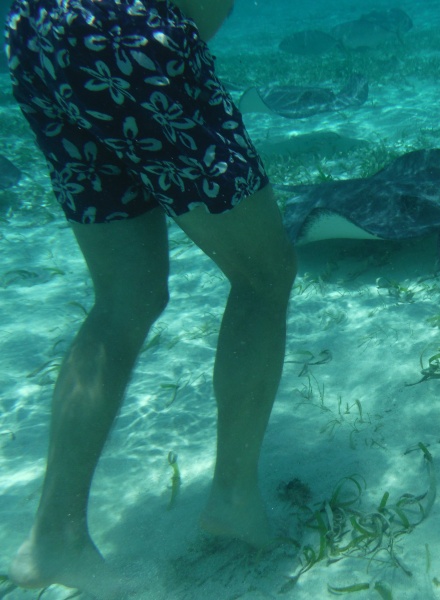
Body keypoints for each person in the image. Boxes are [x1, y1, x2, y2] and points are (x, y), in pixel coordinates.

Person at [5, 0, 296, 595]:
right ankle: (234, 498)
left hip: (36, 33)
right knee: (265, 277)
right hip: (133, 35)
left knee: (123, 298)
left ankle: (53, 538)